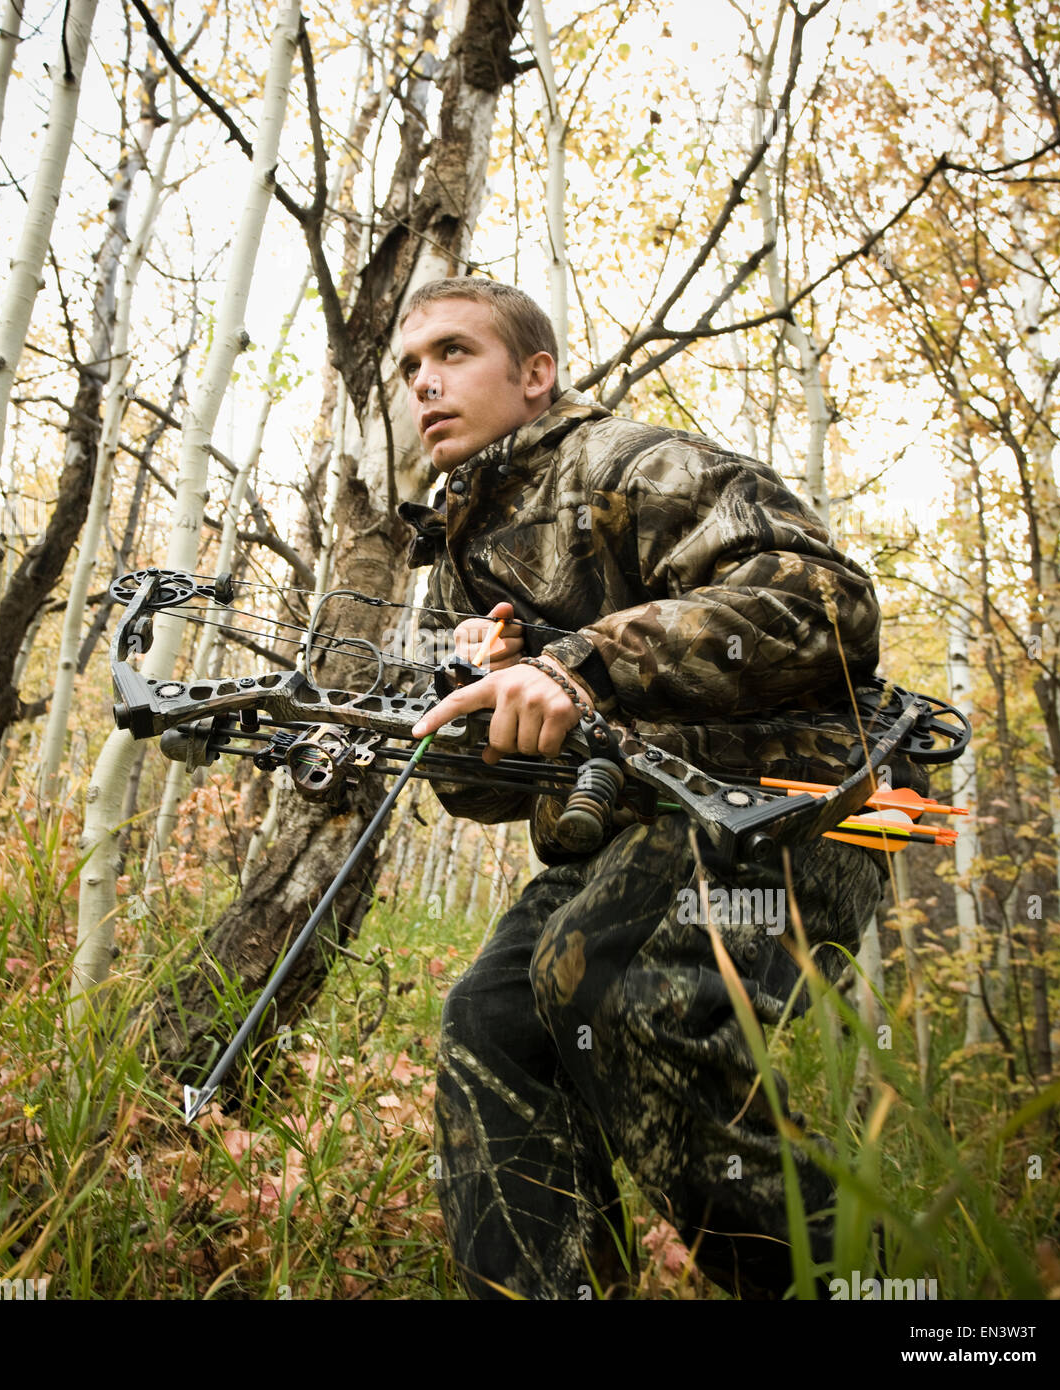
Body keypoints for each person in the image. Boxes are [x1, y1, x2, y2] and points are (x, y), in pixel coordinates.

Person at [396, 277, 923, 1301]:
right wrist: (475, 709)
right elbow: (505, 788)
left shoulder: (631, 462)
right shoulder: (466, 545)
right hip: (648, 817)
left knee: (609, 988)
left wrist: (578, 662)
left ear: (536, 376)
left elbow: (824, 601)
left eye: (453, 353)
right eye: (411, 368)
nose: (424, 383)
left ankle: (906, 1303)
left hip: (808, 793)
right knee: (494, 1019)